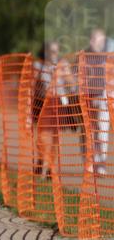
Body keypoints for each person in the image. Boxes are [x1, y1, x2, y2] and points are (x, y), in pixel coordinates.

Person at [32, 41, 81, 178]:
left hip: (58, 103)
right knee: (43, 136)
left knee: (55, 138)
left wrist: (69, 76)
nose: (54, 54)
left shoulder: (63, 64)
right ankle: (41, 160)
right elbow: (32, 86)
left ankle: (51, 168)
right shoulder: (38, 65)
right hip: (42, 104)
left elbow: (73, 86)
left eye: (56, 51)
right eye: (51, 51)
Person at [81, 28, 110, 176]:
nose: (98, 42)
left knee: (102, 132)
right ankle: (90, 161)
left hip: (104, 99)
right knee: (90, 131)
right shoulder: (84, 56)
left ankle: (101, 163)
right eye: (96, 39)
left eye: (101, 40)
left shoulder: (108, 57)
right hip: (88, 98)